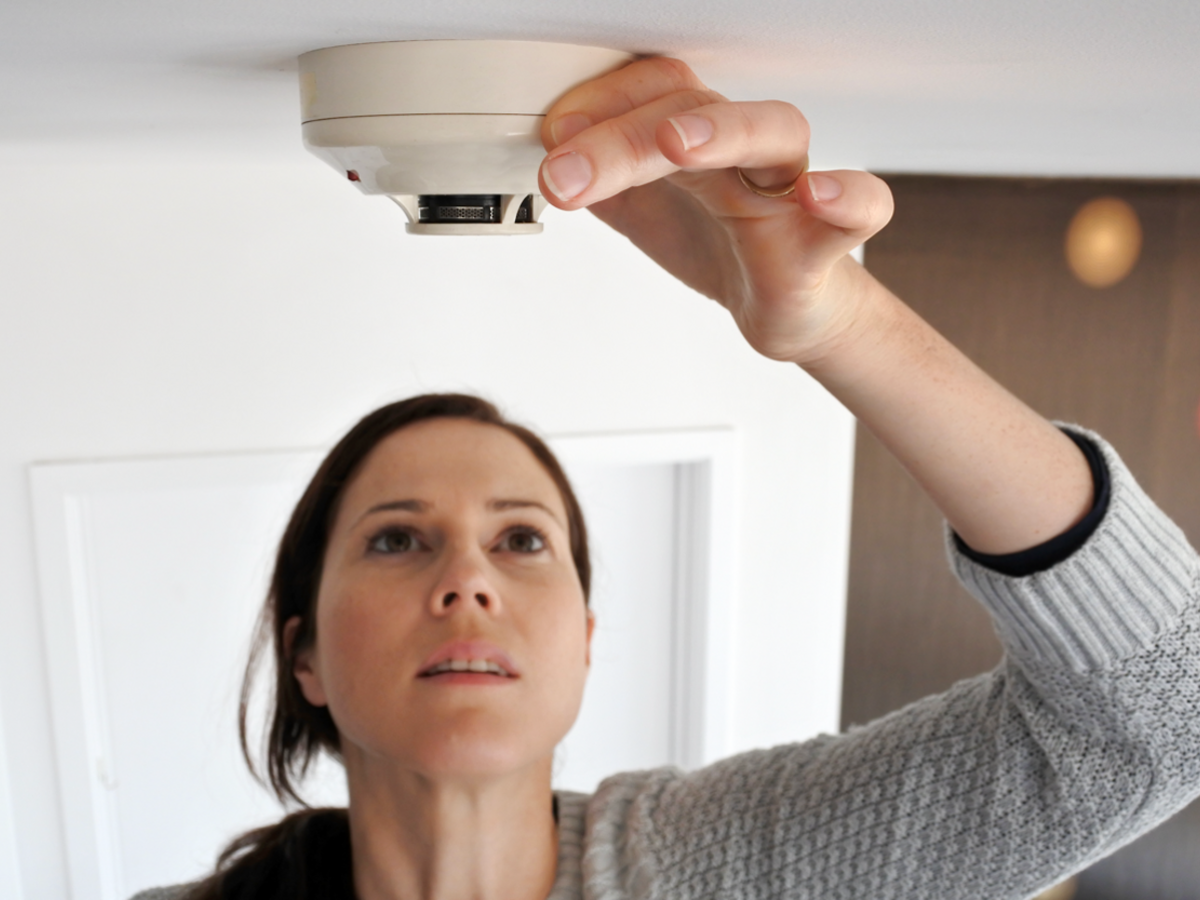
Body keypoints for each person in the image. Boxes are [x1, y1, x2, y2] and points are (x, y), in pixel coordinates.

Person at [135, 57, 1200, 900]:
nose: (468, 582)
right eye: (397, 538)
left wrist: (840, 325)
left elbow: (1169, 706)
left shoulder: (736, 871)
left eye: (521, 540)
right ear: (305, 653)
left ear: (586, 640)